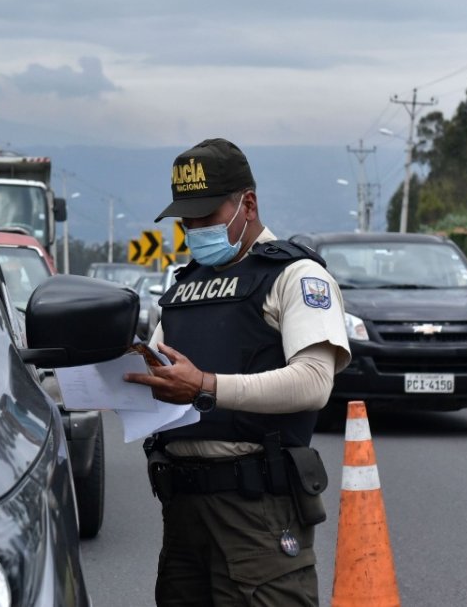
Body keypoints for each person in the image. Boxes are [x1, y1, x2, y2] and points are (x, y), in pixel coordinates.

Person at [123, 138, 351, 606]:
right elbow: (161, 374)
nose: (193, 228)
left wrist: (205, 386)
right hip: (183, 510)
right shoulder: (183, 289)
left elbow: (313, 382)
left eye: (206, 216)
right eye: (186, 220)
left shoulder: (295, 276)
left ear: (247, 203)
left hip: (257, 511)